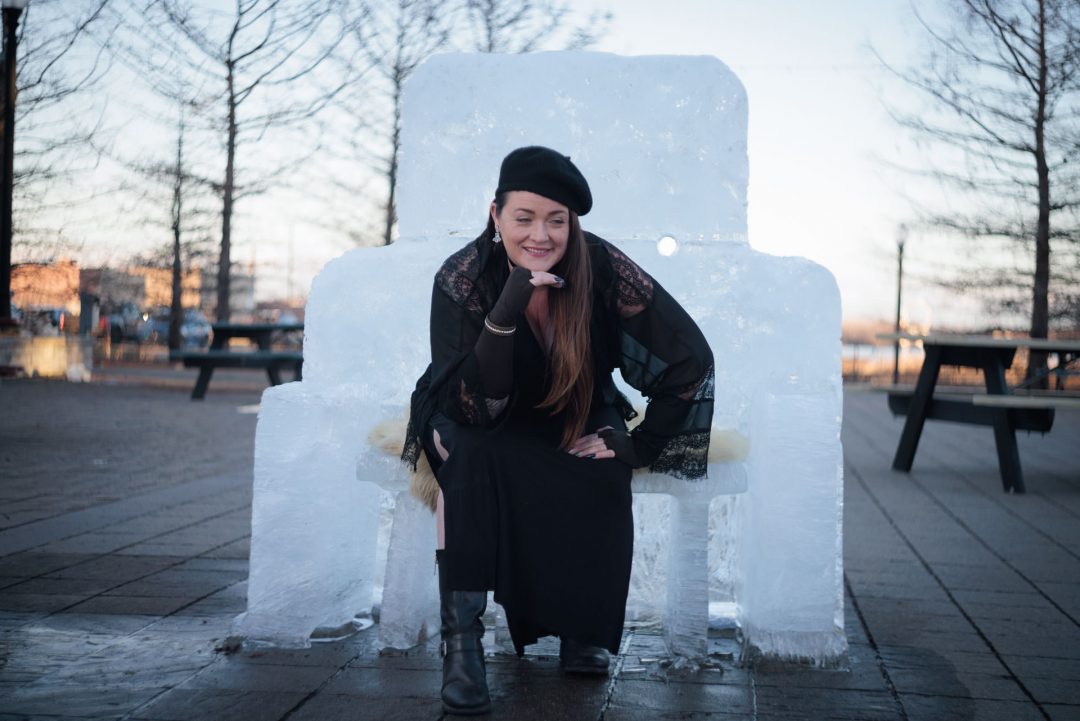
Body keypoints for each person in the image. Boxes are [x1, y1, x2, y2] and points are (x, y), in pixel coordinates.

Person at [402, 146, 714, 716]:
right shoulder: (463, 277)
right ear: (495, 214)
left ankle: (580, 627)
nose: (540, 234)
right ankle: (463, 650)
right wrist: (509, 304)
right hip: (476, 407)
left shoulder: (601, 268)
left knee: (600, 470)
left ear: (573, 222)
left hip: (577, 402)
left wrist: (638, 443)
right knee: (468, 459)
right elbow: (478, 406)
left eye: (557, 220)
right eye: (524, 217)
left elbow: (689, 357)